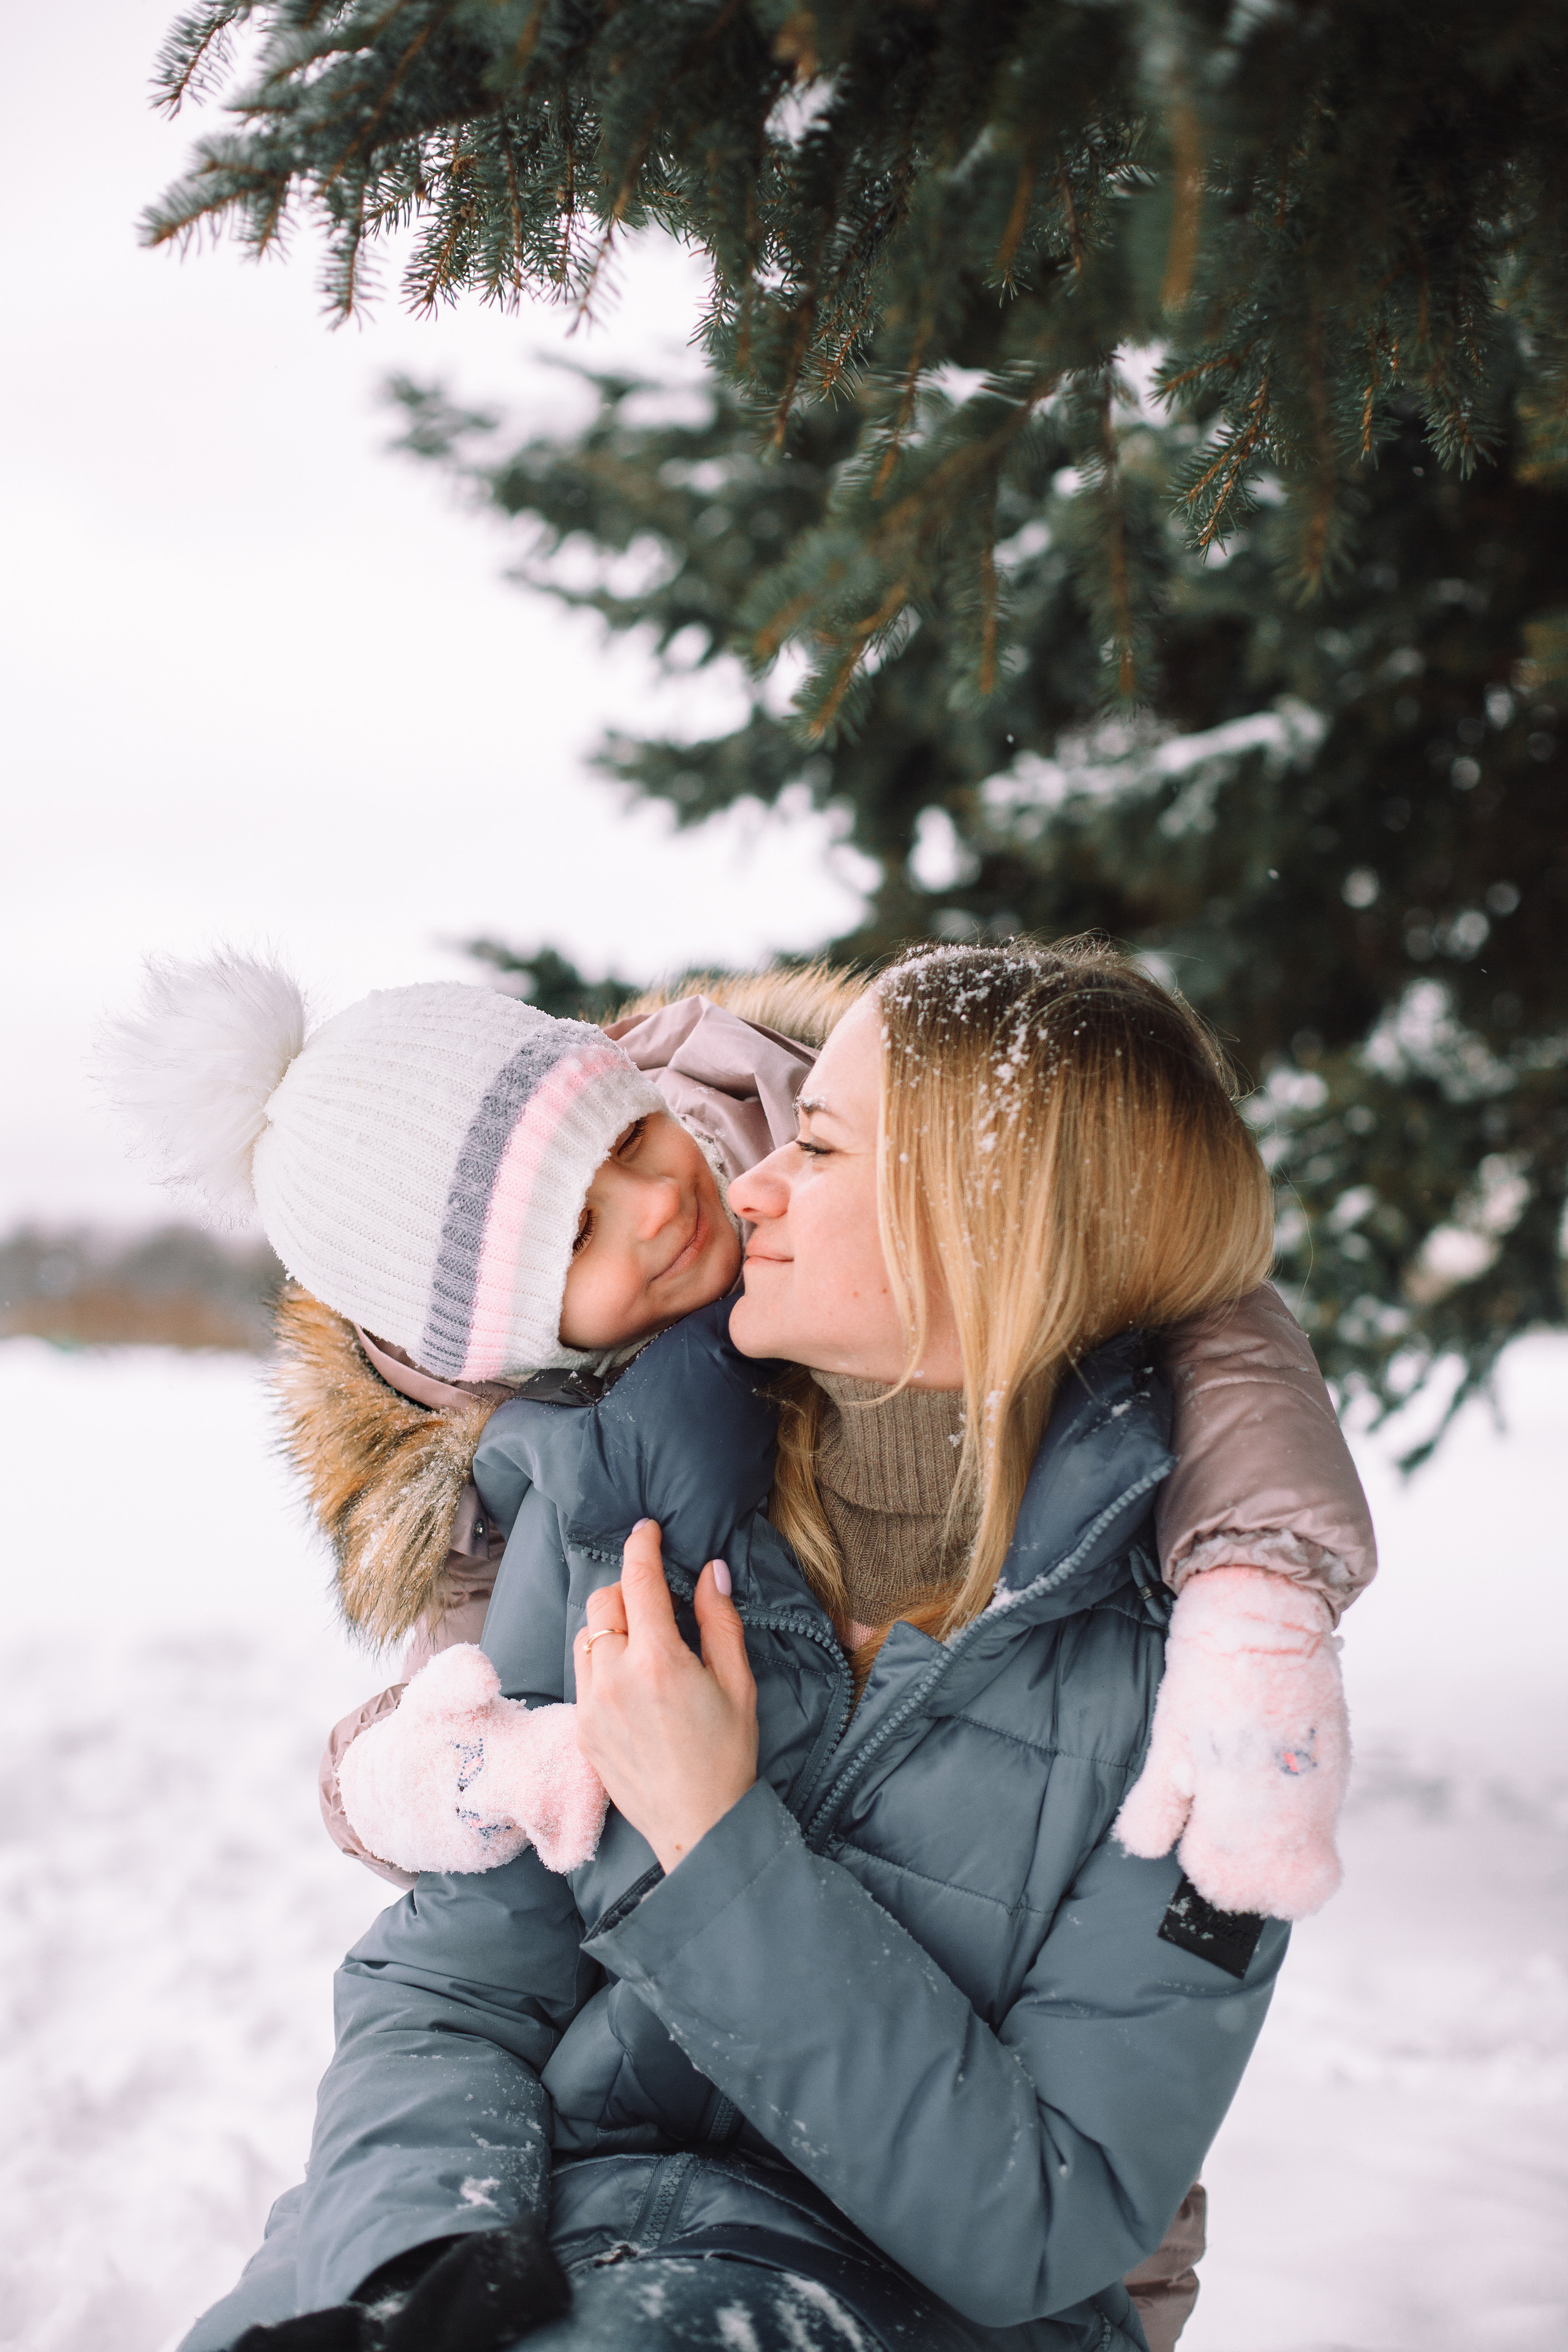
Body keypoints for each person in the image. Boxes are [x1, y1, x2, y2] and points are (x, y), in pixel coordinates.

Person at [167, 938, 1372, 2352]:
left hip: (891, 2298)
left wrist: (711, 1833)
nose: (739, 1183)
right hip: (519, 2226)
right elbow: (453, 1977)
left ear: (991, 1222)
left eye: (817, 1142)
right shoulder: (628, 1511)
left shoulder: (1219, 1696)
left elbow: (1046, 2218)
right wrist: (411, 2251)